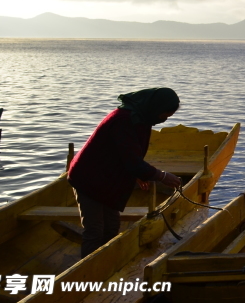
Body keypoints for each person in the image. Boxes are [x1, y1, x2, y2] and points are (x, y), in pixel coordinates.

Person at [67, 87, 184, 258]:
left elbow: (126, 154)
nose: (163, 120)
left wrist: (138, 174)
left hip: (107, 177)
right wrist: (162, 176)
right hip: (89, 179)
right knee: (95, 231)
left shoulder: (142, 118)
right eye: (164, 116)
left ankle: (107, 265)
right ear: (156, 108)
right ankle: (88, 277)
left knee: (112, 228)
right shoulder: (124, 120)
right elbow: (132, 160)